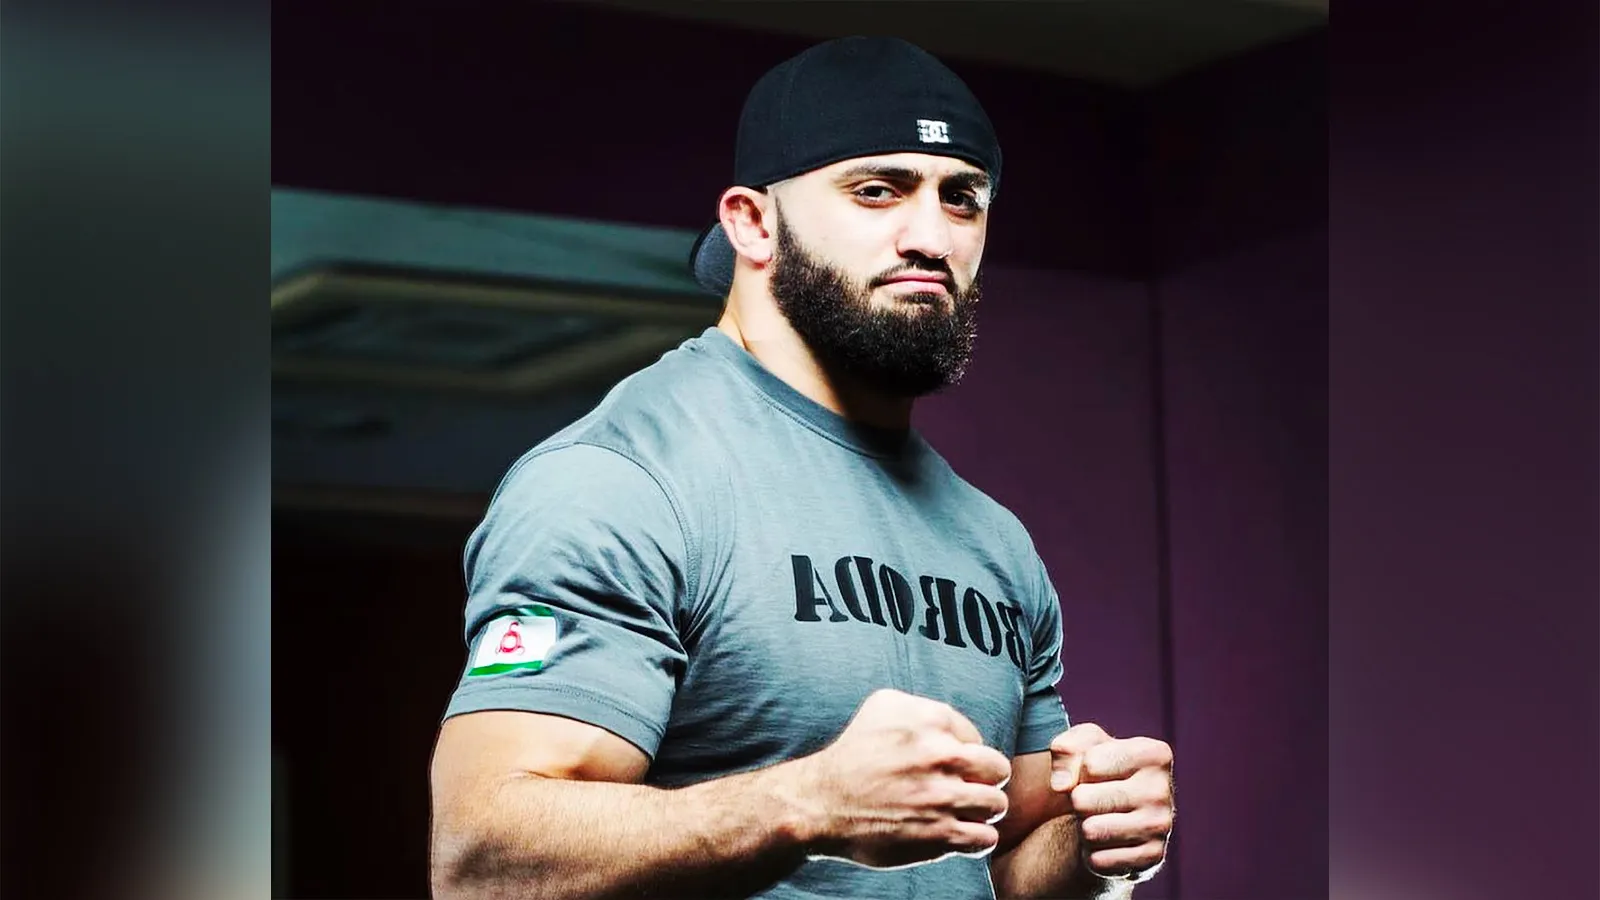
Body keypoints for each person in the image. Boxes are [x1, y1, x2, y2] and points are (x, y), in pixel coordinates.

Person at [428, 35, 1175, 900]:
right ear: (753, 222)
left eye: (962, 199)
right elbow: (479, 859)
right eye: (877, 190)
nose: (931, 237)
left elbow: (992, 869)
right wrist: (806, 803)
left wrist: (1092, 843)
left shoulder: (994, 542)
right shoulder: (623, 482)